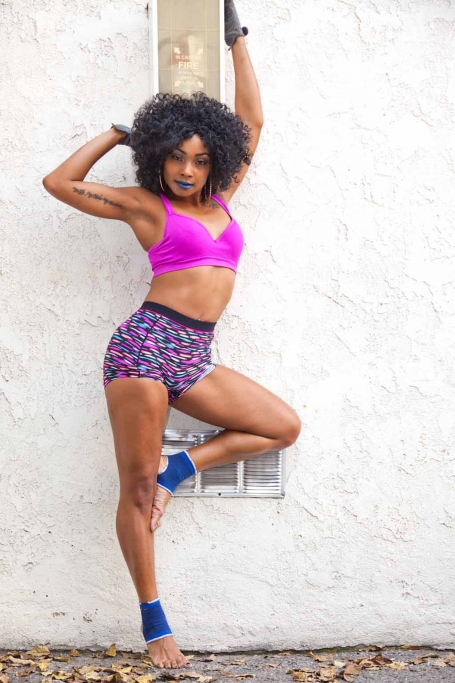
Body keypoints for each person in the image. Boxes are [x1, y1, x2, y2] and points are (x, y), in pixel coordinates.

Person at [42, 0, 301, 671]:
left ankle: (176, 469)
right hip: (143, 349)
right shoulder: (144, 205)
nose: (187, 170)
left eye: (199, 159)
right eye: (176, 158)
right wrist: (117, 134)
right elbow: (59, 183)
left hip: (193, 354)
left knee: (281, 426)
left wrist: (236, 38)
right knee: (134, 491)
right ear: (160, 158)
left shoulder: (222, 199)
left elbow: (253, 122)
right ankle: (155, 623)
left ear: (215, 163)